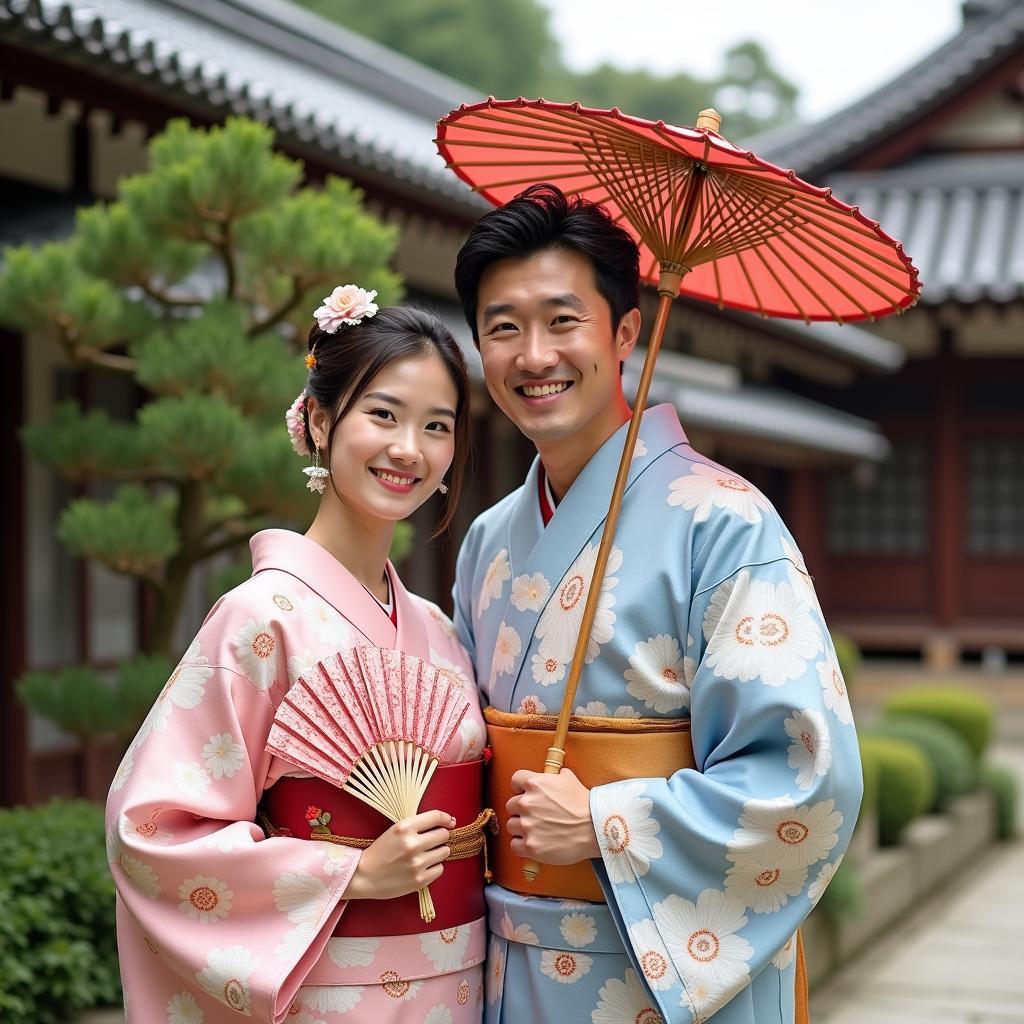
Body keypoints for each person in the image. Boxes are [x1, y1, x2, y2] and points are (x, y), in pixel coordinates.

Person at [451, 186, 863, 1024]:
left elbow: (804, 778)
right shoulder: (489, 542)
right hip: (507, 963)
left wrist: (608, 821)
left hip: (664, 973)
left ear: (627, 332)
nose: (534, 355)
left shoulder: (726, 522)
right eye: (503, 327)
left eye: (564, 321)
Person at [106, 291, 489, 1023]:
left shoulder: (438, 628)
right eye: (383, 414)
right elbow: (151, 831)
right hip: (329, 991)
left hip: (462, 981)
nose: (410, 447)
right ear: (318, 420)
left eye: (436, 426)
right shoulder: (258, 620)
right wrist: (347, 871)